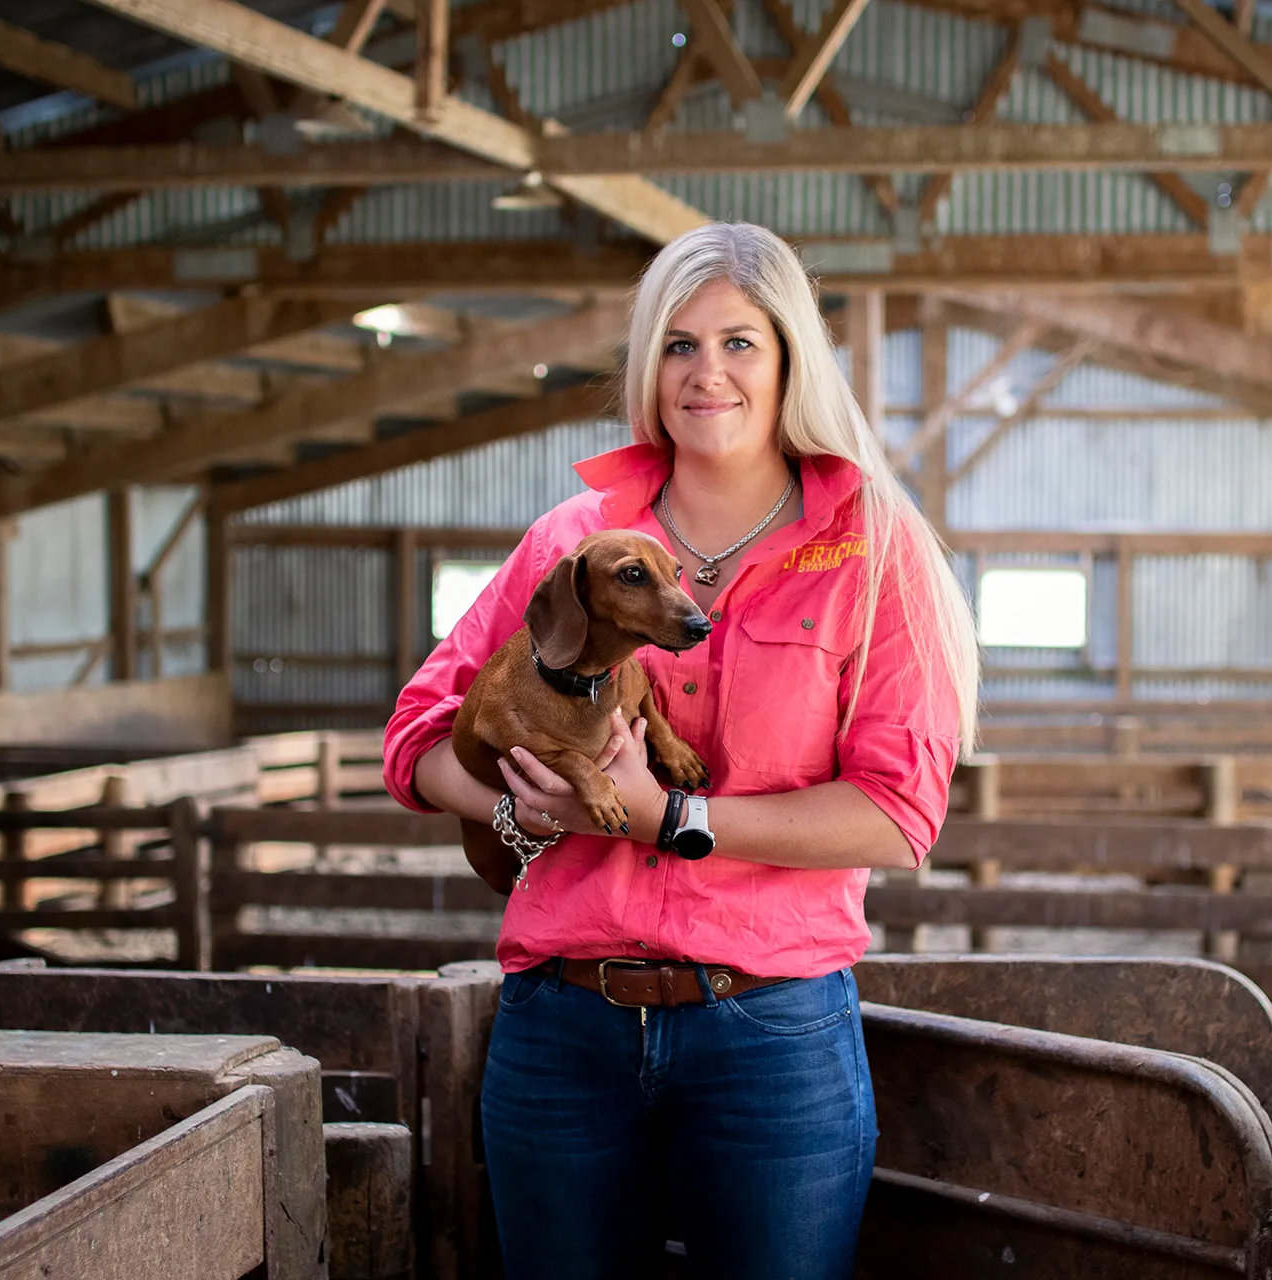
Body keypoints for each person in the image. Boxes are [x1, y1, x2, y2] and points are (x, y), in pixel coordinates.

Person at [382, 221, 979, 1280]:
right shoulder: (574, 540)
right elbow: (417, 738)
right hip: (563, 1018)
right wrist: (520, 807)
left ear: (791, 357)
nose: (709, 373)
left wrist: (671, 816)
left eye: (741, 342)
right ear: (650, 365)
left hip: (771, 1029)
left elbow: (898, 813)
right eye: (679, 345)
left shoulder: (873, 551)